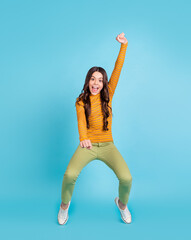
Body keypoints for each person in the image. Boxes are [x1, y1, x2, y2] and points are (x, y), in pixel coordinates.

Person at [58, 32, 132, 225]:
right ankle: (64, 206)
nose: (96, 83)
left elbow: (118, 68)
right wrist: (83, 137)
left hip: (108, 145)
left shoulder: (108, 94)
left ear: (104, 83)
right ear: (88, 81)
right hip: (88, 145)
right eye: (93, 79)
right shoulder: (81, 101)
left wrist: (123, 45)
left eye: (100, 80)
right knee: (70, 175)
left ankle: (122, 205)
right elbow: (80, 121)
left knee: (126, 178)